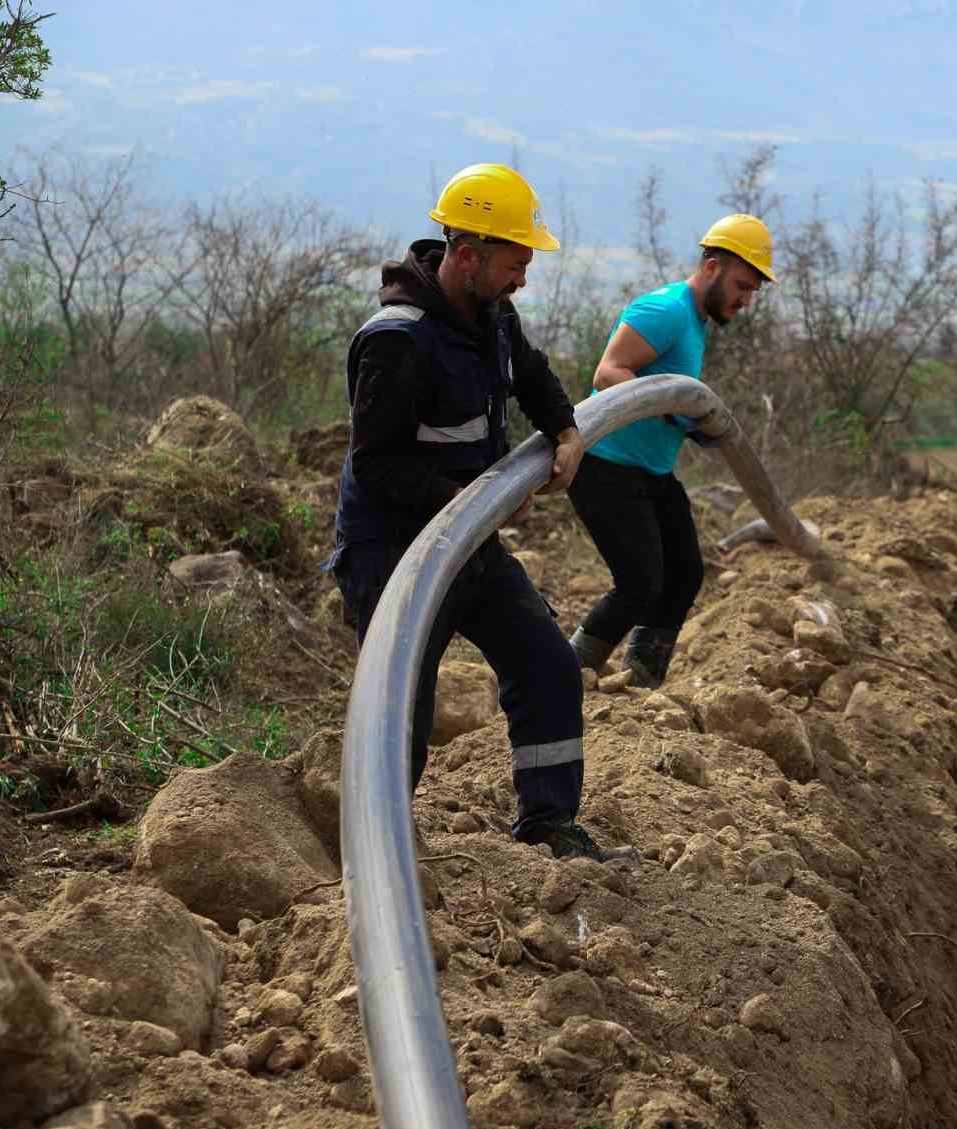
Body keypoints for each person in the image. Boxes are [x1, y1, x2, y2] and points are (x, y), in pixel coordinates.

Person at [326, 163, 630, 862]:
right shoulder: (397, 340)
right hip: (395, 554)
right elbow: (377, 465)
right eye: (515, 264)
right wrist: (479, 500)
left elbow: (530, 372)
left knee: (547, 664)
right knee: (400, 709)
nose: (522, 278)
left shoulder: (492, 316)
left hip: (468, 542)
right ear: (468, 256)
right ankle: (377, 858)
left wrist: (565, 430)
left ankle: (548, 824)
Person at [567, 214, 775, 687]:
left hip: (650, 472)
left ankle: (641, 683)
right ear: (711, 266)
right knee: (640, 585)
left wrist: (692, 422)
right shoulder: (665, 310)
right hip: (606, 467)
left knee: (684, 575)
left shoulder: (694, 321)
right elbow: (609, 375)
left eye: (752, 291)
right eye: (742, 286)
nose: (746, 300)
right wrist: (682, 415)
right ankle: (560, 673)